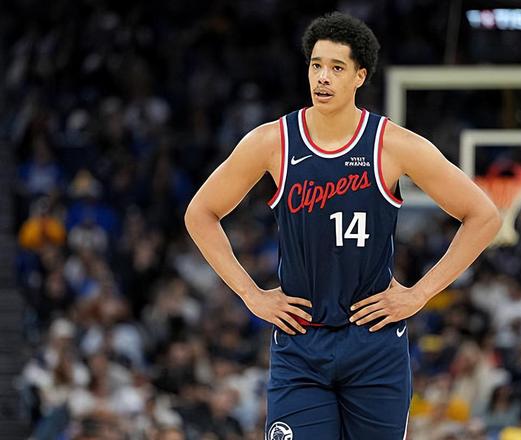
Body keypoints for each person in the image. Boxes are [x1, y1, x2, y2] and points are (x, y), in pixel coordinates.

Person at [185, 11, 501, 440]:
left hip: (374, 343)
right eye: (316, 65)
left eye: (336, 68)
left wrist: (420, 293)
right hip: (301, 342)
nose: (323, 77)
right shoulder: (272, 142)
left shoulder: (392, 144)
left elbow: (484, 216)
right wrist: (250, 294)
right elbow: (200, 214)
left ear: (359, 76)